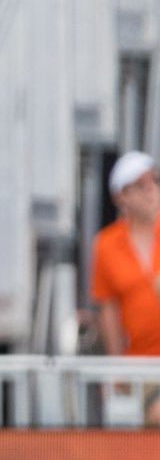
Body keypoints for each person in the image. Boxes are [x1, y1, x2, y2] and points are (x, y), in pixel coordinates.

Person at [91, 153, 160, 424]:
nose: (151, 190)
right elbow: (108, 311)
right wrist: (116, 368)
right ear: (122, 196)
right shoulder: (107, 245)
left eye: (154, 181)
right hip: (140, 367)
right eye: (141, 185)